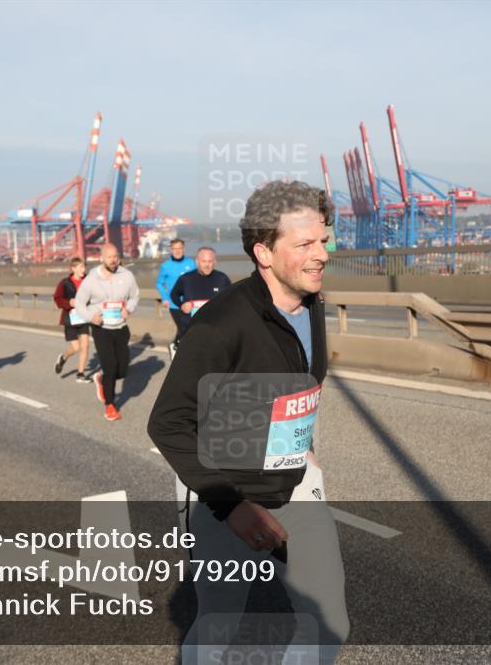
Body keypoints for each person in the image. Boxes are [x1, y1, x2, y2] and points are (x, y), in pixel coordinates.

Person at [148, 181, 348, 664]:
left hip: (297, 485)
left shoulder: (312, 300)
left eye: (324, 240)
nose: (321, 254)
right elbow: (168, 423)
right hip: (226, 495)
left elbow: (299, 380)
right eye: (304, 244)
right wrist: (232, 506)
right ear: (263, 252)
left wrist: (305, 445)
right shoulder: (220, 325)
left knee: (329, 625)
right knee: (220, 622)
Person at [73, 243, 139, 421]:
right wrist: (90, 317)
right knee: (110, 368)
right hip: (101, 328)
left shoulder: (127, 276)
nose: (113, 260)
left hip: (121, 327)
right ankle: (110, 405)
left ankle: (101, 379)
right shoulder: (92, 279)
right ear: (101, 258)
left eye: (115, 256)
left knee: (123, 370)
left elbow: (134, 296)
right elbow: (79, 303)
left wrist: (129, 309)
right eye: (109, 257)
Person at [168, 246, 231, 350]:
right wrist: (181, 305)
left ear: (215, 262)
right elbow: (174, 294)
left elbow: (231, 300)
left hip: (214, 331)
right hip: (190, 331)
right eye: (203, 261)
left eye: (210, 261)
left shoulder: (222, 278)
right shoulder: (186, 279)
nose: (207, 265)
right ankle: (176, 347)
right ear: (197, 262)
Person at [156, 238, 196, 360]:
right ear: (171, 250)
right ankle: (177, 346)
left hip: (189, 302)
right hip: (174, 303)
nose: (177, 251)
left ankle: (178, 346)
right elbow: (159, 283)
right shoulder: (166, 266)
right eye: (175, 249)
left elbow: (197, 280)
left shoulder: (192, 263)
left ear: (184, 249)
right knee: (183, 327)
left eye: (180, 248)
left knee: (188, 327)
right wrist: (165, 298)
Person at [52, 256, 91, 382]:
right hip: (71, 318)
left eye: (84, 266)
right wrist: (69, 302)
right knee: (76, 348)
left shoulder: (88, 281)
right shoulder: (65, 283)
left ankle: (80, 375)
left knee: (85, 346)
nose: (83, 269)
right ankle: (63, 358)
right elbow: (57, 299)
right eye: (81, 267)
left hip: (84, 318)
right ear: (73, 268)